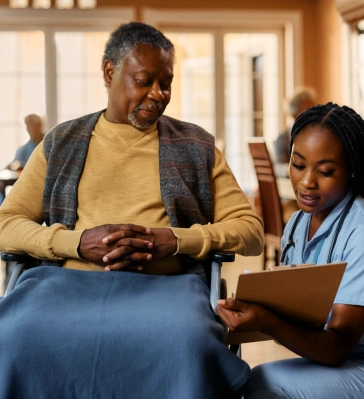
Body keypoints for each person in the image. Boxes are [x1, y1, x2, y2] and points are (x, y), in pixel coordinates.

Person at [0, 22, 264, 398]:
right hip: (66, 287)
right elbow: (5, 223)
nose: (158, 94)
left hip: (166, 289)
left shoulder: (196, 145)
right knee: (14, 335)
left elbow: (250, 230)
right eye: (144, 80)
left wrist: (175, 240)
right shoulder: (61, 142)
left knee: (188, 340)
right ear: (110, 73)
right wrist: (76, 243)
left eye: (166, 82)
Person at [217, 102, 364, 398]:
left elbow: (337, 346)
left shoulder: (359, 229)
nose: (307, 182)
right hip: (333, 358)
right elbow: (296, 308)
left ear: (351, 171)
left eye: (325, 171)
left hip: (352, 359)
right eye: (298, 165)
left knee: (264, 383)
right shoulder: (297, 223)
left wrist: (268, 321)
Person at [274, 86, 316, 176]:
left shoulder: (319, 136)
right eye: (307, 111)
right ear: (294, 115)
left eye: (314, 109)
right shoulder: (282, 139)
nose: (313, 115)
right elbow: (277, 168)